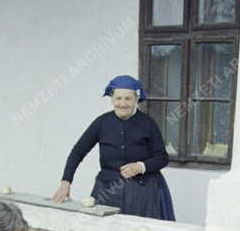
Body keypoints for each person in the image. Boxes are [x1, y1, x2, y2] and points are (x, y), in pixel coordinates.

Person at [53, 75, 175, 220]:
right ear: (112, 99)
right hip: (108, 190)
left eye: (128, 99)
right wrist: (66, 183)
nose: (122, 104)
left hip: (143, 192)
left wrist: (140, 166)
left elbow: (162, 158)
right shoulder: (101, 123)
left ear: (136, 99)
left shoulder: (148, 123)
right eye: (118, 98)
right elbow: (78, 152)